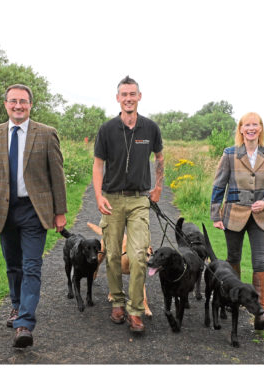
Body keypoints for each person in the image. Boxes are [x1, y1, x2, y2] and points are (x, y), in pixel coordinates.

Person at [0, 84, 67, 348]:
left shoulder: (47, 134)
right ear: (5, 104)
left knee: (32, 266)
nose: (18, 106)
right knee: (13, 265)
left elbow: (57, 176)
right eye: (13, 101)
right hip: (4, 210)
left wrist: (60, 212)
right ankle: (16, 306)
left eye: (23, 102)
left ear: (30, 105)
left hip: (34, 211)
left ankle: (24, 323)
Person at [93, 76, 164, 333]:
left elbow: (159, 157)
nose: (128, 98)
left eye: (132, 94)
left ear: (139, 96)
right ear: (118, 98)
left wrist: (158, 187)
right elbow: (98, 164)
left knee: (137, 256)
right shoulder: (107, 129)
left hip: (138, 200)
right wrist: (98, 195)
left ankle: (135, 311)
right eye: (124, 94)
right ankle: (118, 303)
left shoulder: (150, 128)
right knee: (112, 253)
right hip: (111, 198)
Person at [210, 112, 264, 330]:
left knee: (260, 263)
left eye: (255, 125)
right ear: (241, 129)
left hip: (261, 217)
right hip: (234, 215)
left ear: (260, 128)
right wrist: (215, 214)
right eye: (247, 125)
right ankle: (233, 302)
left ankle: (262, 313)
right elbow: (219, 185)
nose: (251, 128)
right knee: (233, 259)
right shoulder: (230, 154)